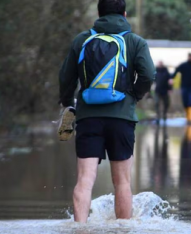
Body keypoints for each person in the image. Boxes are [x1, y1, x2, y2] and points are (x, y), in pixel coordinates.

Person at [58, 0, 155, 223]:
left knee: (84, 179)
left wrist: (67, 103)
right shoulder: (135, 42)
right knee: (122, 181)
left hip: (88, 117)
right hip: (122, 118)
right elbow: (148, 75)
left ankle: (79, 228)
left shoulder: (82, 40)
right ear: (125, 14)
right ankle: (122, 229)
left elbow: (66, 77)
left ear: (99, 13)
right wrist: (134, 96)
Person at [172, 53, 191, 124]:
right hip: (184, 86)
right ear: (188, 57)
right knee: (185, 101)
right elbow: (177, 70)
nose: (190, 58)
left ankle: (190, 118)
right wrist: (171, 77)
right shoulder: (183, 65)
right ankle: (187, 117)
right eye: (189, 57)